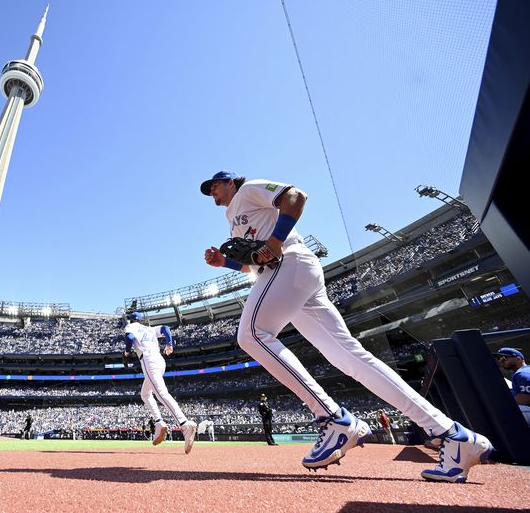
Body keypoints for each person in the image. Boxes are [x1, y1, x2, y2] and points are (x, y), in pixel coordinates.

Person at [200, 171, 493, 482]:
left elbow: (295, 197)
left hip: (289, 263)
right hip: (287, 272)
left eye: (214, 187)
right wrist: (227, 263)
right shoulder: (234, 217)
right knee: (350, 357)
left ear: (230, 181)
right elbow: (254, 262)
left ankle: (332, 417)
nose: (212, 194)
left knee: (252, 335)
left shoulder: (249, 189)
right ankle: (453, 434)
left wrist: (274, 241)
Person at [123, 311, 197, 454]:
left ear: (131, 320)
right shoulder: (149, 329)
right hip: (159, 360)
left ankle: (184, 424)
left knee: (161, 393)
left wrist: (127, 352)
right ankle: (159, 423)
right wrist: (169, 343)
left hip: (148, 361)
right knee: (145, 394)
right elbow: (165, 329)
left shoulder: (130, 327)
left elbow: (130, 337)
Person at [493, 347, 530, 426]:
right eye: (499, 359)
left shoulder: (522, 373)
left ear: (518, 359)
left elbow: (527, 396)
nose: (501, 361)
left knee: (505, 411)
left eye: (504, 358)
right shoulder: (525, 371)